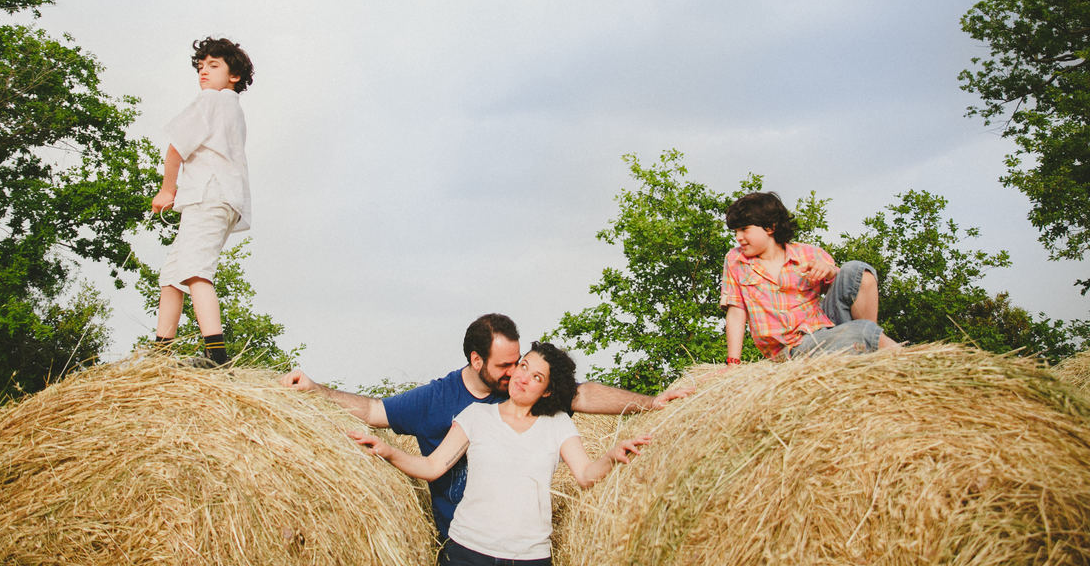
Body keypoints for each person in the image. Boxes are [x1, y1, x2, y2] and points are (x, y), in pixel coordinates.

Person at [281, 313, 685, 538]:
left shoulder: (529, 393)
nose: (516, 373)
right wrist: (316, 389)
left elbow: (584, 394)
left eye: (521, 362)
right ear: (477, 361)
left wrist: (651, 403)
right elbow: (373, 411)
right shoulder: (439, 400)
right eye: (507, 365)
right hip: (463, 541)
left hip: (522, 544)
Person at [349, 341, 650, 565]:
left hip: (530, 557)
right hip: (467, 551)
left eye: (537, 377)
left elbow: (585, 475)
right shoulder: (476, 415)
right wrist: (388, 451)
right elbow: (433, 466)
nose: (523, 378)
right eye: (523, 367)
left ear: (546, 391)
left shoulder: (557, 424)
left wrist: (611, 456)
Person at [151, 37, 254, 366]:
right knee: (172, 277)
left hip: (208, 196)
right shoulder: (233, 109)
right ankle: (160, 355)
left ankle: (217, 357)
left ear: (234, 75)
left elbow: (175, 148)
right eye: (200, 67)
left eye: (213, 66)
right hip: (222, 200)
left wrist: (168, 190)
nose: (203, 73)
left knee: (195, 272)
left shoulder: (211, 100)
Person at [721, 191, 899, 363]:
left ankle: (870, 354)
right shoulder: (736, 260)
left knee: (858, 270)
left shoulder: (808, 253)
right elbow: (737, 311)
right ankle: (872, 342)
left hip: (827, 329)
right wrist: (733, 362)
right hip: (792, 348)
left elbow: (847, 290)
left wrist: (830, 272)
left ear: (770, 227)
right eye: (735, 231)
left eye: (744, 229)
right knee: (862, 332)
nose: (739, 237)